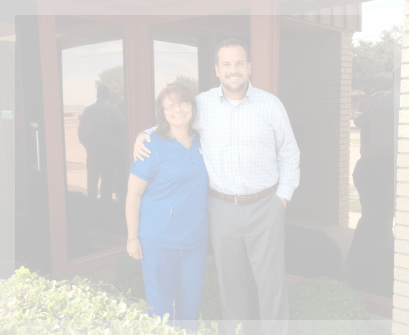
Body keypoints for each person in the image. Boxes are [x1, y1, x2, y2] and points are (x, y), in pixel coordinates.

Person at [133, 38, 300, 327]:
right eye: (226, 64)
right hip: (221, 207)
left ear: (249, 67)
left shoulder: (271, 105)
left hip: (265, 205)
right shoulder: (204, 104)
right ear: (217, 70)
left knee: (271, 281)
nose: (233, 70)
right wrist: (143, 134)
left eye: (239, 63)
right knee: (230, 282)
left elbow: (290, 155)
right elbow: (174, 118)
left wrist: (280, 200)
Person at [126, 83, 209, 325]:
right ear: (162, 113)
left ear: (192, 107)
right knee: (161, 306)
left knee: (191, 303)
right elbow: (133, 195)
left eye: (184, 103)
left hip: (195, 238)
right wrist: (132, 238)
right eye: (170, 106)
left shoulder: (204, 141)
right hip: (158, 239)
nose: (178, 110)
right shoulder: (150, 145)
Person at [348, 89, 394, 262]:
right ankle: (373, 263)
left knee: (372, 217)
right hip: (385, 170)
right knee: (382, 219)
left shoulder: (378, 103)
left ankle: (359, 260)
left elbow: (359, 121)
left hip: (366, 169)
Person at [78, 85, 125, 203]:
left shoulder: (88, 110)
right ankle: (105, 206)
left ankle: (92, 206)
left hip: (92, 151)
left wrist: (87, 145)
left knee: (92, 181)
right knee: (106, 181)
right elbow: (123, 124)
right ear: (107, 95)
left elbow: (81, 132)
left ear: (96, 94)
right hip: (107, 151)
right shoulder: (112, 109)